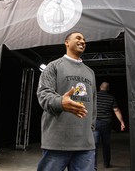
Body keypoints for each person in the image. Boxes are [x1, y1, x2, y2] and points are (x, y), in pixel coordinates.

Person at [36, 31, 97, 171]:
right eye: (78, 38)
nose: (83, 41)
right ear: (67, 42)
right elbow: (43, 94)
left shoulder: (90, 72)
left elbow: (93, 103)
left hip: (85, 144)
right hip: (57, 142)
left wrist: (91, 129)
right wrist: (60, 102)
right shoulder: (53, 66)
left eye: (84, 39)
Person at [94, 82, 125, 169]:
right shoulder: (111, 98)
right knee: (106, 144)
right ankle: (106, 164)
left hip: (95, 123)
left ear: (100, 87)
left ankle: (93, 166)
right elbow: (116, 111)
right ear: (108, 89)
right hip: (106, 123)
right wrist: (122, 122)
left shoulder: (94, 96)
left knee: (94, 145)